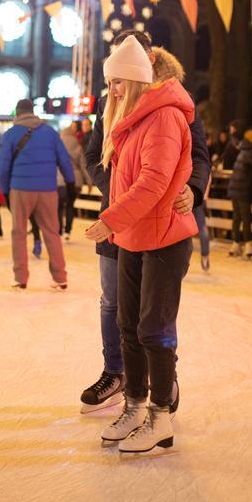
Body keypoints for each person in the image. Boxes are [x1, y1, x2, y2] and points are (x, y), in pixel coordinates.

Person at [79, 34, 210, 418]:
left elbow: (196, 156)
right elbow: (95, 155)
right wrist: (117, 193)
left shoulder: (171, 104)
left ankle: (161, 386)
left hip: (155, 220)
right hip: (118, 221)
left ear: (148, 59)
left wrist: (194, 190)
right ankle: (118, 377)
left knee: (153, 313)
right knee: (116, 306)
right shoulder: (110, 100)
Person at [0, 98, 75, 289]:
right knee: (51, 232)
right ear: (33, 112)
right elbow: (64, 159)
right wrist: (70, 182)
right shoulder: (50, 132)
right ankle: (60, 277)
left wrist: (5, 191)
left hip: (20, 188)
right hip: (48, 189)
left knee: (19, 232)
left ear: (17, 113)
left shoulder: (10, 134)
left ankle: (20, 278)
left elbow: (2, 166)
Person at [226, 129, 252, 258]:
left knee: (237, 217)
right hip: (242, 190)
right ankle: (249, 245)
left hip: (234, 189)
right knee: (246, 218)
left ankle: (235, 244)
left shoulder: (242, 151)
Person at [59, 121, 88, 240]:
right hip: (75, 180)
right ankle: (68, 231)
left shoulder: (58, 144)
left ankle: (58, 229)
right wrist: (89, 181)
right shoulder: (78, 145)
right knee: (70, 205)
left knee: (59, 206)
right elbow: (83, 165)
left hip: (60, 180)